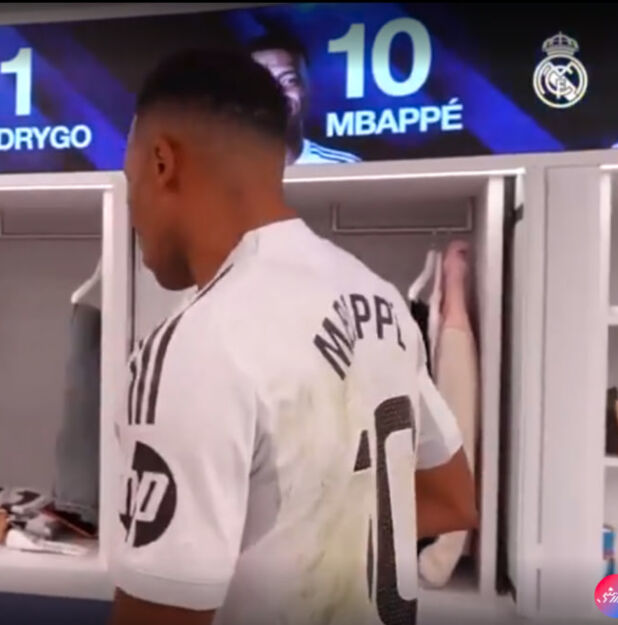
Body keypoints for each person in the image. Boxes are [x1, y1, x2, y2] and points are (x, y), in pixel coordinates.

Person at [109, 49, 478, 625]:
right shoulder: (379, 299)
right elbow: (452, 498)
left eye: (130, 181)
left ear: (162, 163)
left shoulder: (196, 343)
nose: (133, 210)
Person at [246, 32, 361, 166]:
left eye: (289, 80)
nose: (277, 93)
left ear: (308, 87)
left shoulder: (343, 165)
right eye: (264, 83)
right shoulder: (229, 168)